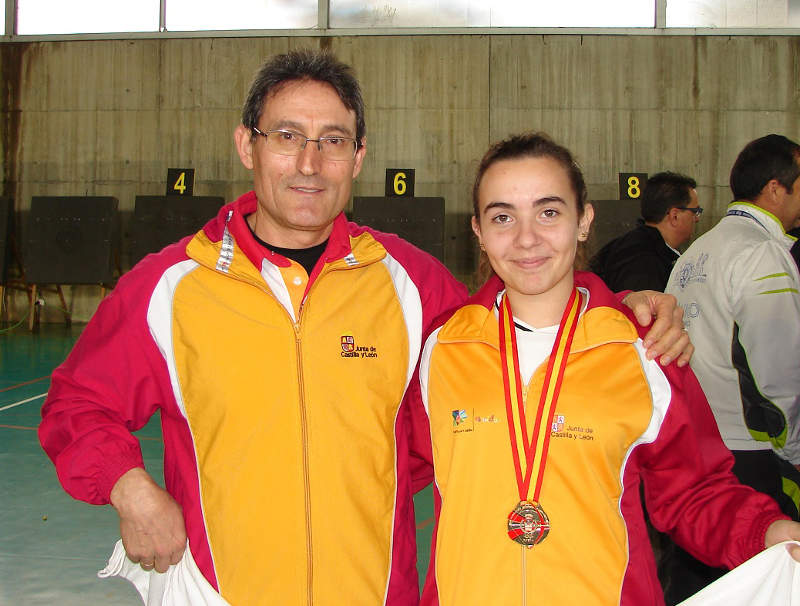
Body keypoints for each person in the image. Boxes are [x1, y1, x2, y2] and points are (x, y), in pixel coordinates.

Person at [38, 50, 691, 606]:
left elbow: (517, 306)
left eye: (333, 141)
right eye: (287, 136)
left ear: (359, 157)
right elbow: (77, 405)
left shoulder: (410, 283)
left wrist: (621, 302)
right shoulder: (169, 286)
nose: (309, 163)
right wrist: (132, 489)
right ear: (247, 145)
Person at [416, 132, 800, 606]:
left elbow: (693, 492)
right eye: (502, 217)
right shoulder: (439, 348)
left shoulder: (645, 352)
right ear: (478, 230)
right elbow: (386, 470)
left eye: (549, 212)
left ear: (584, 221)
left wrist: (768, 531)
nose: (527, 237)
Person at [663, 134, 800, 603]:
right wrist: (795, 447)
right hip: (751, 452)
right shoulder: (761, 254)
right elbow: (779, 369)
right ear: (777, 189)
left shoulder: (699, 251)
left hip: (696, 445)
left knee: (694, 580)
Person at [590, 171, 701, 291]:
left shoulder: (630, 245)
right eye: (695, 211)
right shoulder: (644, 265)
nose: (697, 219)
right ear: (674, 216)